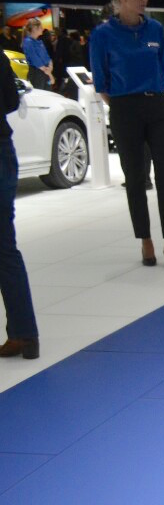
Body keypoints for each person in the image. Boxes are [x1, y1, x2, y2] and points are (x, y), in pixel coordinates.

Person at [89, 0, 164, 268]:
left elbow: (162, 70)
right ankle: (145, 240)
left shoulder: (154, 29)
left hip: (159, 107)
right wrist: (123, 107)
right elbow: (101, 82)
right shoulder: (102, 35)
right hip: (124, 110)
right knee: (136, 178)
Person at [0, 45, 38, 359]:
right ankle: (24, 335)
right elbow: (12, 99)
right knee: (5, 247)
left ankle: (23, 334)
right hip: (2, 150)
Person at [21, 21, 54, 91]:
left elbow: (47, 56)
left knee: (48, 93)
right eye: (41, 27)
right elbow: (35, 59)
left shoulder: (39, 42)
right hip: (37, 73)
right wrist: (48, 71)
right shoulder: (28, 42)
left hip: (45, 72)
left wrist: (50, 66)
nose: (42, 29)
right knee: (39, 95)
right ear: (35, 28)